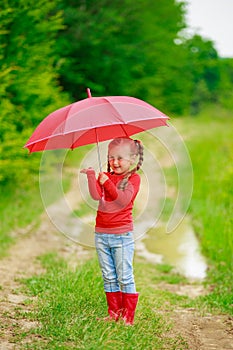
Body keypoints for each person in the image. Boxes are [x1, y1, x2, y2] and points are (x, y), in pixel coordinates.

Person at [81, 137, 144, 325]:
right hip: (101, 233)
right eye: (111, 158)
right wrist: (92, 176)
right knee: (108, 275)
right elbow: (95, 195)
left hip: (121, 235)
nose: (114, 162)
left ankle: (128, 317)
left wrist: (107, 182)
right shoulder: (106, 176)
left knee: (124, 275)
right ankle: (114, 313)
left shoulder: (133, 178)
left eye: (120, 158)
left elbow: (121, 199)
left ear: (132, 159)